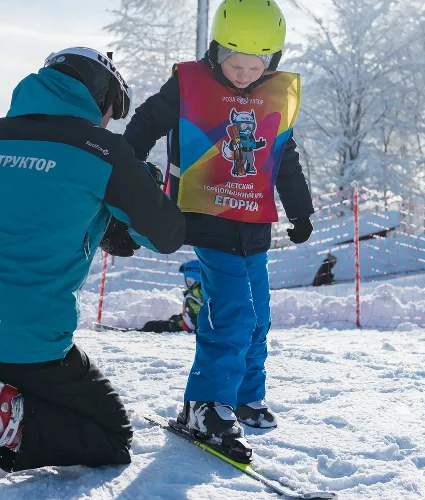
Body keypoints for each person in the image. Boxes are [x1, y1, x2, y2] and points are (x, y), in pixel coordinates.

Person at [0, 47, 185, 491]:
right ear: (101, 96)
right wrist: (144, 185)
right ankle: (3, 418)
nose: (108, 122)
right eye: (111, 111)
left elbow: (39, 212)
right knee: (113, 434)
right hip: (23, 338)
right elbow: (166, 235)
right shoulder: (103, 150)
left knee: (32, 371)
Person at [124, 0, 314, 442]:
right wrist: (126, 161)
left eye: (256, 65)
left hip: (254, 229)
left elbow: (284, 158)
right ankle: (205, 405)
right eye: (234, 63)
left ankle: (245, 397)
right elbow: (148, 120)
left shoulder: (272, 98)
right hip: (207, 219)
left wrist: (300, 211)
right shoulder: (189, 84)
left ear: (273, 60)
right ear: (215, 50)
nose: (244, 74)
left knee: (258, 317)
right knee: (233, 314)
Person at [141, 260, 204, 333]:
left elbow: (195, 323)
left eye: (187, 279)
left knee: (150, 326)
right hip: (185, 326)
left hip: (184, 328)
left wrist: (177, 324)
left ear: (192, 279)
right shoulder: (204, 292)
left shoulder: (195, 295)